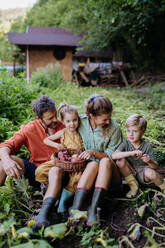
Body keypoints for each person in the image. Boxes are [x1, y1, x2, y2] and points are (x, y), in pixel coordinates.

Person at [0, 95, 68, 227]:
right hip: (36, 172)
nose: (55, 120)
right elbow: (4, 146)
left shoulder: (64, 127)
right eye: (50, 118)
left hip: (59, 172)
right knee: (3, 162)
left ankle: (44, 214)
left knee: (55, 170)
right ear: (39, 118)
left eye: (55, 115)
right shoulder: (29, 129)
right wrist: (7, 160)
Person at [70, 95, 123, 226]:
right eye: (104, 119)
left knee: (104, 161)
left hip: (111, 174)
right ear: (92, 116)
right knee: (93, 164)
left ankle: (94, 209)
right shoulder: (81, 122)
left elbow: (112, 156)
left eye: (109, 118)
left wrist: (93, 152)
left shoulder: (114, 128)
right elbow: (65, 129)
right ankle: (76, 209)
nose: (108, 122)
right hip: (90, 173)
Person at [35, 103, 84, 213]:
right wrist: (57, 145)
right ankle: (50, 194)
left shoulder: (81, 133)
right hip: (61, 161)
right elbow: (46, 140)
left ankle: (63, 201)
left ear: (78, 119)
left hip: (75, 163)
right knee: (41, 170)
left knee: (76, 179)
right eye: (68, 121)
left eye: (75, 120)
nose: (72, 124)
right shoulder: (63, 132)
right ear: (63, 121)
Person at [112, 114, 165, 198]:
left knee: (151, 173)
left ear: (142, 132)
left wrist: (149, 161)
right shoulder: (125, 143)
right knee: (120, 160)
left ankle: (163, 187)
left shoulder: (147, 146)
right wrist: (131, 153)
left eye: (135, 131)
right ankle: (134, 187)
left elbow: (155, 166)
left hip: (143, 172)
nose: (131, 134)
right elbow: (114, 155)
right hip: (129, 171)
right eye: (128, 131)